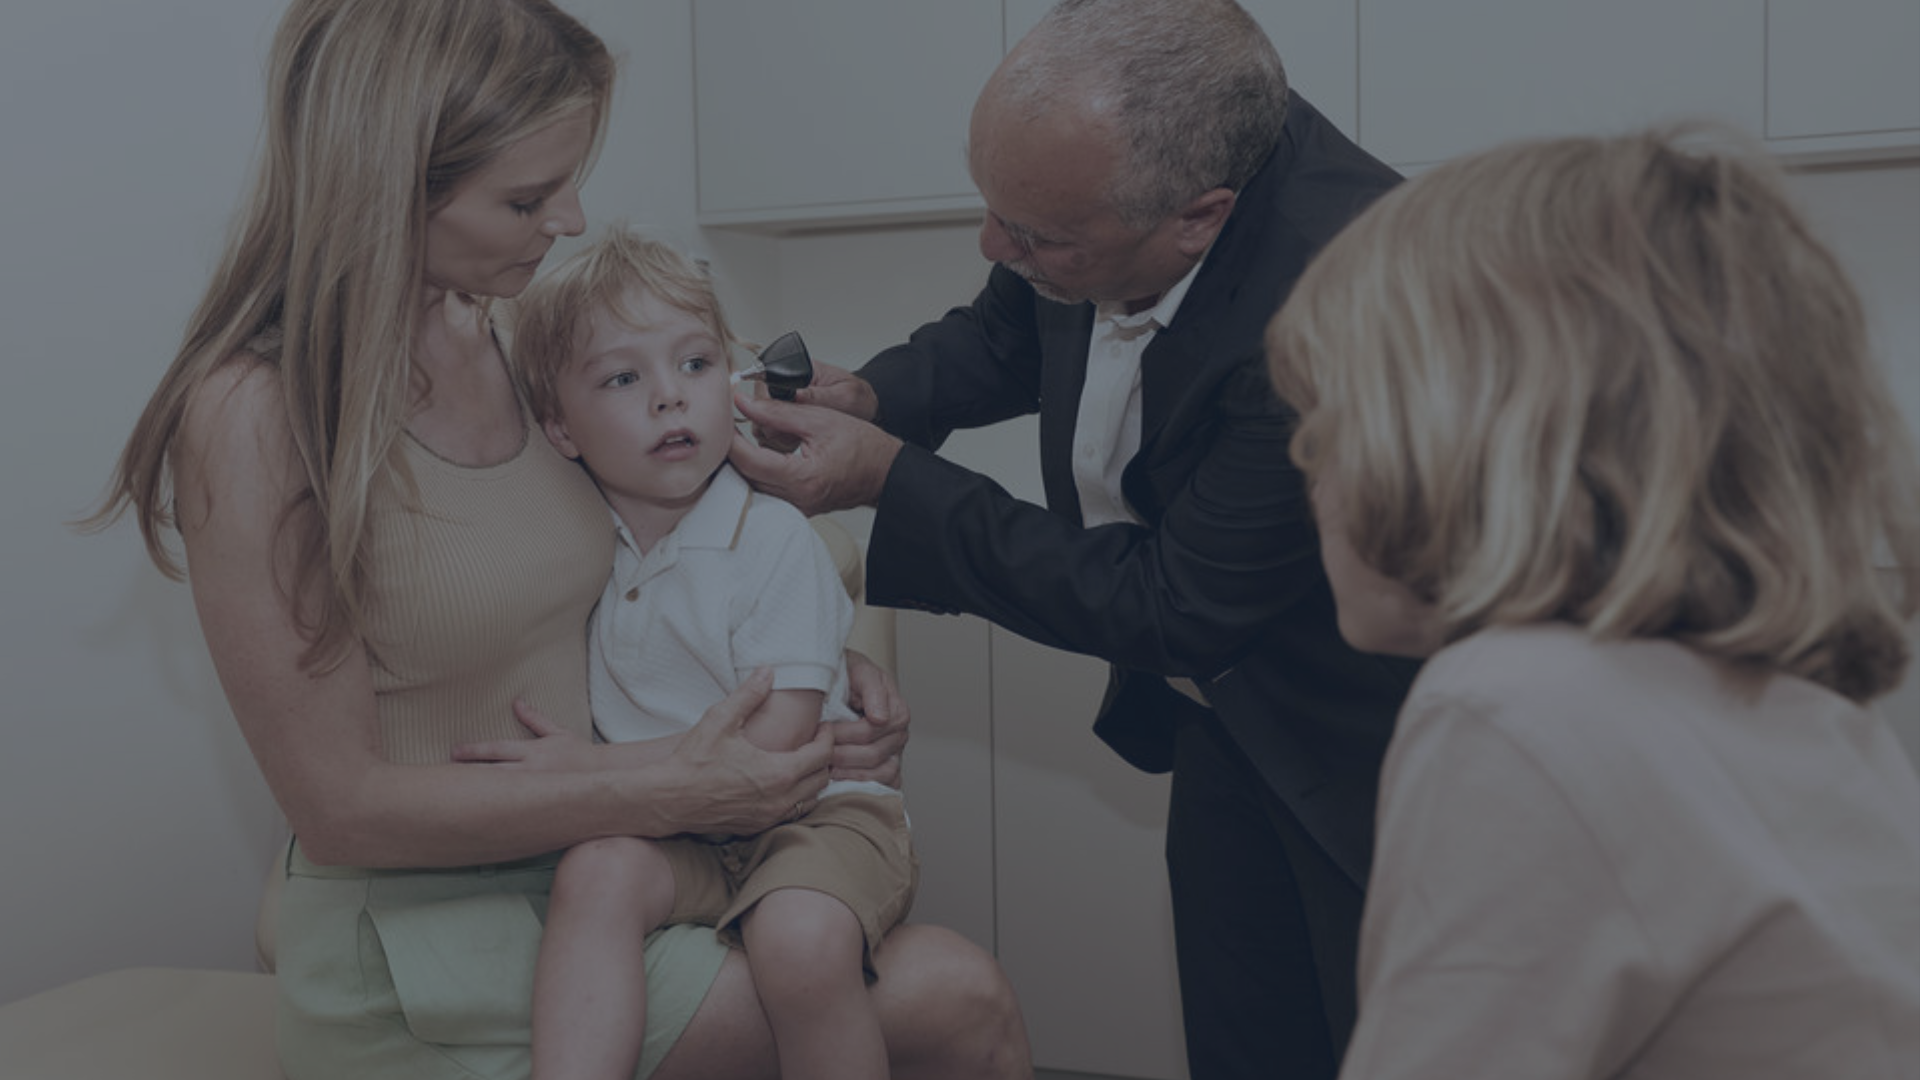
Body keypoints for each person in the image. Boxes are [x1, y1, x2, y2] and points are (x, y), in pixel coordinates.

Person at [81, 1, 1029, 1077]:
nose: (571, 218)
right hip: (436, 934)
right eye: (527, 198)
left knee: (945, 988)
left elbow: (584, 576)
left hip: (609, 861)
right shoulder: (259, 414)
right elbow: (341, 808)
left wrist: (806, 664)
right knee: (957, 1000)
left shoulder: (500, 333)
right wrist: (680, 780)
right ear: (391, 186)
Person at [730, 0, 1422, 1075]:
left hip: (1363, 742)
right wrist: (876, 397)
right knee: (1245, 1040)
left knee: (1374, 1045)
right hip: (1225, 721)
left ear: (1200, 216)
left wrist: (892, 480)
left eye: (1037, 235)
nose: (995, 248)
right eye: (997, 211)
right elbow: (1011, 326)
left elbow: (1172, 604)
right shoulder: (1105, 187)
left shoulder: (1335, 307)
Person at [1266, 124, 1920, 1079]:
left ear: (1469, 441)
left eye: (1326, 426)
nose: (1307, 469)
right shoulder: (1797, 706)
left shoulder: (1519, 706)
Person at [492, 226, 914, 1080]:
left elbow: (778, 740)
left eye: (695, 365)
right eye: (622, 378)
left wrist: (587, 771)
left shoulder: (773, 542)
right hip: (683, 827)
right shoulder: (584, 547)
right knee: (596, 873)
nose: (669, 399)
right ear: (560, 430)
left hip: (812, 813)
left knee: (797, 939)